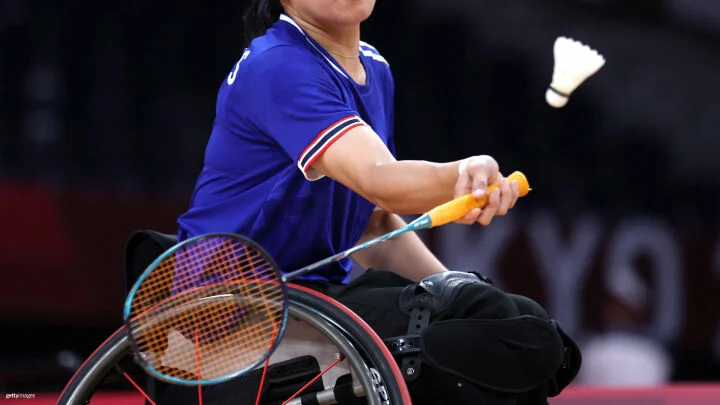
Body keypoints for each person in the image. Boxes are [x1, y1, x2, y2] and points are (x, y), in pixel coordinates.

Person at [172, 0, 582, 403]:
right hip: (228, 315)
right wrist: (463, 174)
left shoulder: (375, 68)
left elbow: (376, 224)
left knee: (517, 318)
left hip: (311, 302)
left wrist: (451, 286)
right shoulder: (278, 65)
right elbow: (378, 182)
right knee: (488, 330)